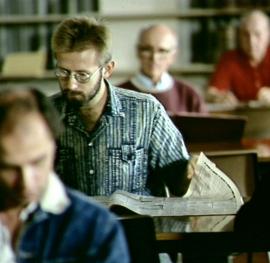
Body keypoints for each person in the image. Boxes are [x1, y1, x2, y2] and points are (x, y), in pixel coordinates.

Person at [50, 16, 193, 198]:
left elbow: (178, 185)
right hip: (72, 225)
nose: (70, 85)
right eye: (63, 72)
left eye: (82, 75)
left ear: (107, 70)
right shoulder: (45, 114)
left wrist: (189, 172)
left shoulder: (147, 111)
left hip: (132, 224)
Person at [0, 87, 130, 263]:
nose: (26, 183)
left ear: (54, 146)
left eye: (37, 162)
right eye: (9, 168)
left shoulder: (95, 227)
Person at [118, 24, 207, 114]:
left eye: (162, 51)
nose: (154, 57)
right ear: (137, 52)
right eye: (147, 49)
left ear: (173, 56)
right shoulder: (117, 94)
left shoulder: (189, 95)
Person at [207, 10, 270, 105]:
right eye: (246, 34)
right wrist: (219, 97)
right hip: (241, 116)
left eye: (257, 34)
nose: (251, 41)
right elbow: (210, 93)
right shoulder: (229, 59)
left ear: (268, 35)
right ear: (239, 36)